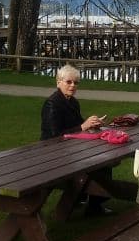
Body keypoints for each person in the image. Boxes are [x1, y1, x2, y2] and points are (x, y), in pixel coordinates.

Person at [40, 64, 112, 216]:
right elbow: (55, 136)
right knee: (99, 165)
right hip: (52, 154)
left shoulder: (72, 102)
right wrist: (83, 125)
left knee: (105, 162)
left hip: (72, 149)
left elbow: (79, 125)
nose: (73, 86)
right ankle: (89, 204)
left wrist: (92, 123)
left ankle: (92, 203)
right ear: (58, 82)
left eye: (76, 83)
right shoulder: (52, 104)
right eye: (69, 82)